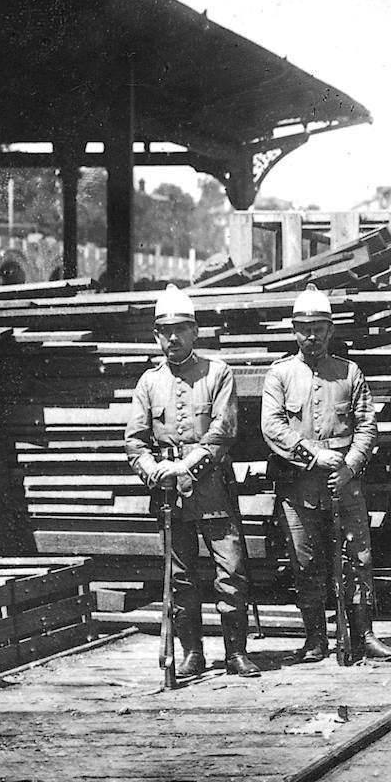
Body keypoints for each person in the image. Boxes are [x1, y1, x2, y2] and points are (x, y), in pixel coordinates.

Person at [124, 284, 259, 678]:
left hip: (212, 488)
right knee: (180, 576)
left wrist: (189, 465)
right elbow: (134, 441)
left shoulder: (217, 373)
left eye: (180, 329)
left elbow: (223, 430)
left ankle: (236, 652)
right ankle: (192, 653)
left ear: (195, 331)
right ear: (155, 336)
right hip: (169, 496)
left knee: (230, 571)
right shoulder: (148, 383)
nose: (173, 338)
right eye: (164, 331)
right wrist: (153, 470)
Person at [261, 284, 391, 664]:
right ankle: (315, 639)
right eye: (304, 328)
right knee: (305, 562)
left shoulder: (349, 373)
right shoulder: (280, 375)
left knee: (358, 558)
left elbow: (368, 426)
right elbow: (272, 426)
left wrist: (351, 465)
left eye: (319, 327)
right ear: (293, 330)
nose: (311, 335)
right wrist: (312, 456)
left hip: (344, 483)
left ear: (330, 329)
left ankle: (364, 635)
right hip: (299, 486)